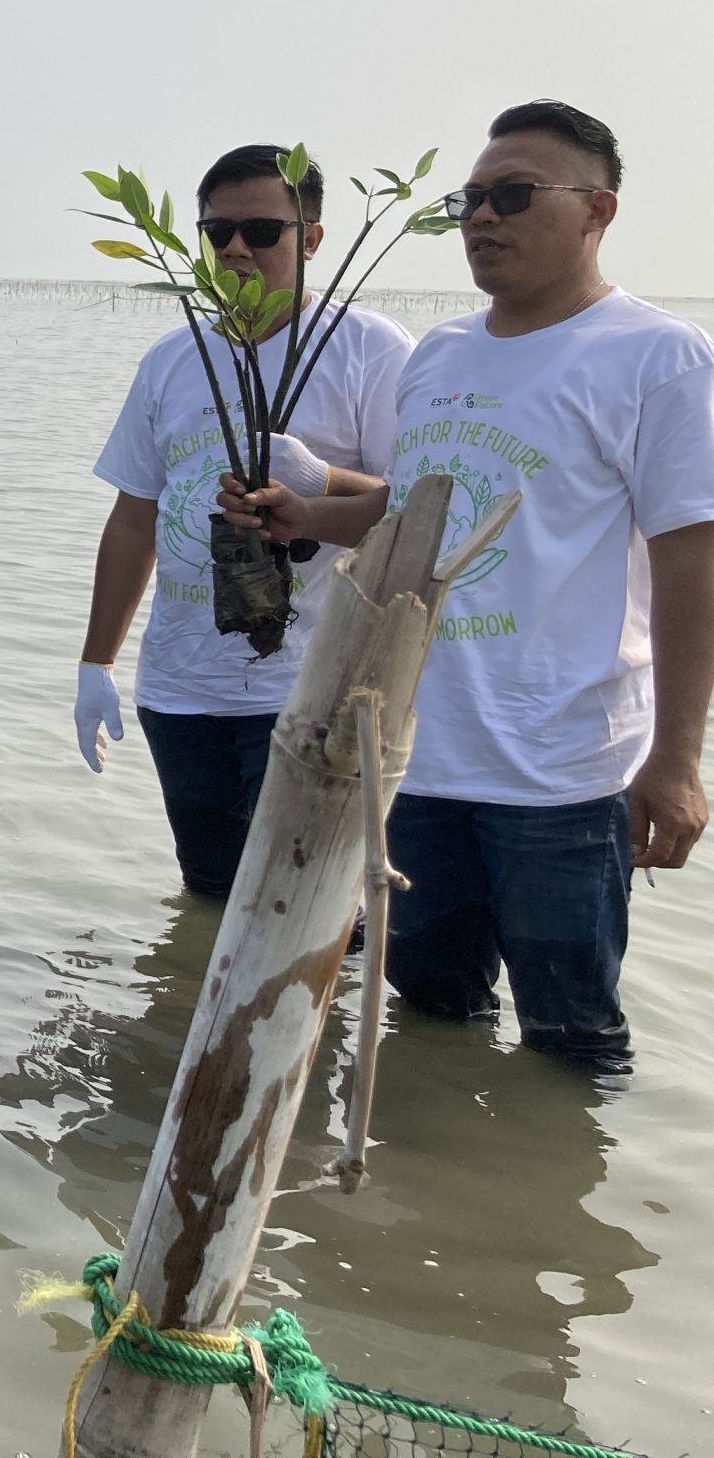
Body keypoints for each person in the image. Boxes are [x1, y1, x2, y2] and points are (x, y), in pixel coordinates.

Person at [222, 101, 714, 1069]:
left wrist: (678, 759)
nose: (480, 218)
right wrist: (307, 517)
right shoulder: (440, 354)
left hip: (563, 773)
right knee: (429, 1020)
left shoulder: (658, 358)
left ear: (596, 209)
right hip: (416, 757)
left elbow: (690, 559)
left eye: (513, 195)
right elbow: (412, 512)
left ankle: (557, 1206)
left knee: (572, 1043)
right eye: (469, 200)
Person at [75, 146, 413, 896]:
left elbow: (417, 510)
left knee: (311, 913)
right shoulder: (173, 357)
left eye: (262, 231)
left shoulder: (369, 350)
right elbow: (135, 519)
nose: (236, 248)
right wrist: (96, 662)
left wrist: (317, 488)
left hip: (313, 690)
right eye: (217, 230)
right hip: (180, 687)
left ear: (313, 239)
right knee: (208, 901)